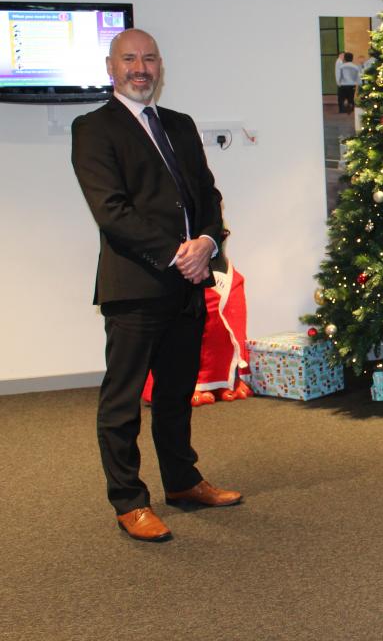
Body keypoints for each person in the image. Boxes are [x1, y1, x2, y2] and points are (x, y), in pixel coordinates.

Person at [71, 29, 242, 543]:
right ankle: (129, 501)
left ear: (160, 66)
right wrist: (177, 254)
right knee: (122, 401)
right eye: (129, 59)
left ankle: (184, 481)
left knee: (175, 394)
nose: (140, 68)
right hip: (136, 286)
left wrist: (208, 241)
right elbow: (112, 212)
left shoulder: (180, 125)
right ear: (111, 67)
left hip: (187, 286)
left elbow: (207, 196)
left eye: (148, 59)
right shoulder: (93, 128)